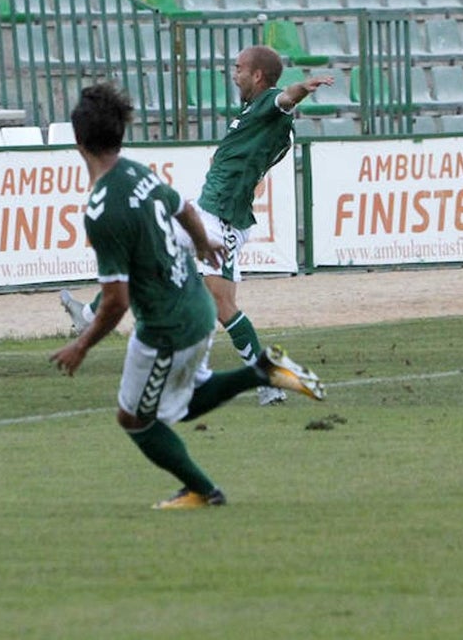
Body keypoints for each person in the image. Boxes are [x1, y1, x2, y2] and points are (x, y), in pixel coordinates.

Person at [49, 82, 324, 510]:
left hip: (166, 327)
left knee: (136, 418)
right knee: (184, 399)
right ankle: (263, 369)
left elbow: (118, 301)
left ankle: (202, 489)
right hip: (195, 306)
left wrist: (81, 346)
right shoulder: (139, 173)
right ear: (122, 132)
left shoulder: (102, 210)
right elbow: (184, 209)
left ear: (78, 141)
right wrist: (202, 245)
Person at [60, 45, 333, 405]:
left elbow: (285, 99)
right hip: (210, 210)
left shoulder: (269, 103)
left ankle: (267, 378)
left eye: (239, 68)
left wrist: (302, 88)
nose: (233, 74)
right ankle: (91, 313)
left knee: (223, 304)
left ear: (257, 75)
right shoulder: (254, 112)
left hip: (223, 219)